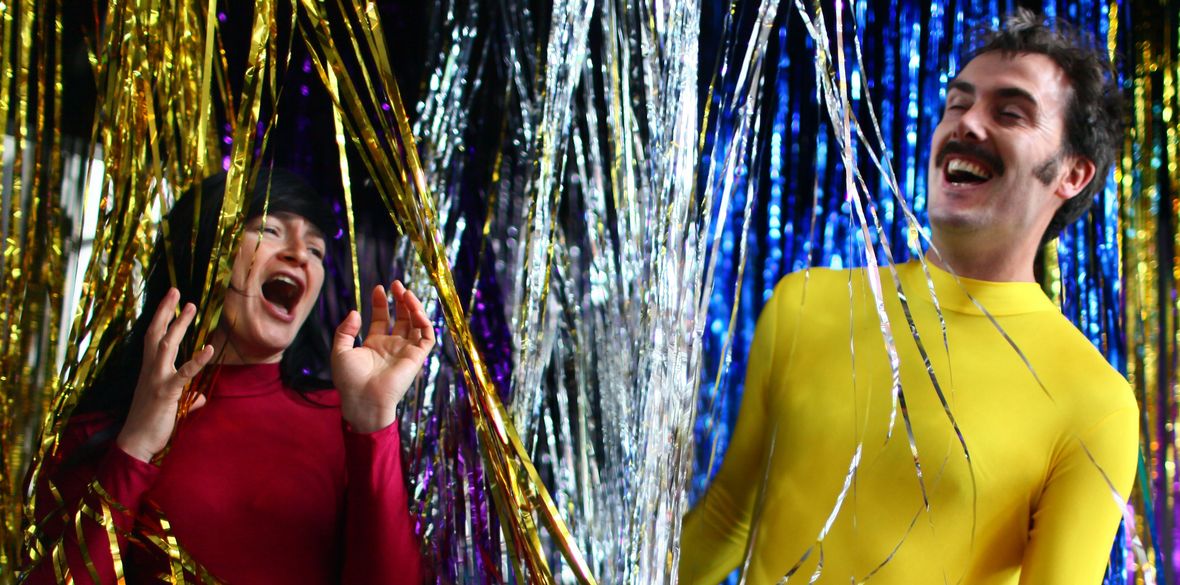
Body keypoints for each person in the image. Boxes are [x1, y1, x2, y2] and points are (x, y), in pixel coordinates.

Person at [679, 10, 1136, 584]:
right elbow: (728, 519)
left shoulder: (1094, 403)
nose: (967, 124)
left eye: (1009, 113)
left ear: (1072, 174)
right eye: (957, 104)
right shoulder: (806, 304)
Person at [23, 169, 431, 583]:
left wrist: (373, 422)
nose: (300, 254)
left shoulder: (345, 423)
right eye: (269, 229)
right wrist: (136, 446)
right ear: (200, 249)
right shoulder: (99, 431)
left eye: (316, 249)